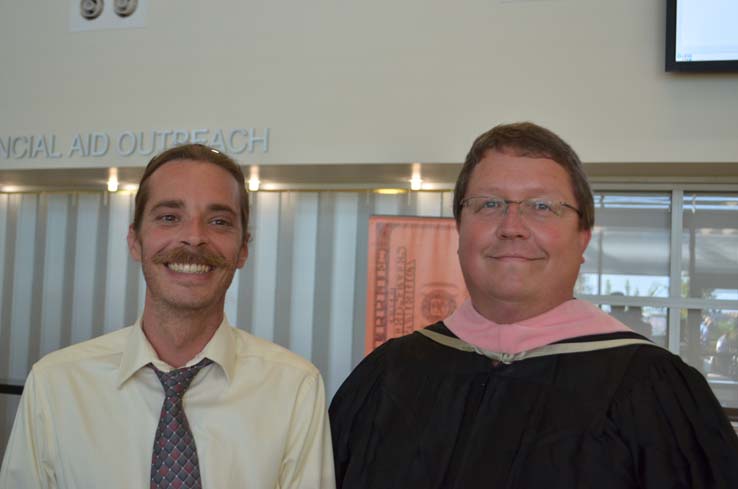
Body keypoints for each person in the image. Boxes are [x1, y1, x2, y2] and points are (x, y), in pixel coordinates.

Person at [329, 122, 738, 488]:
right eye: (489, 204)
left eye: (542, 207)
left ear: (583, 238)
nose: (512, 228)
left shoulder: (656, 390)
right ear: (459, 230)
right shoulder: (386, 377)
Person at [0, 144, 335, 488]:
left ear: (243, 250)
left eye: (218, 221)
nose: (193, 237)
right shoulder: (55, 386)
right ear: (134, 241)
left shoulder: (295, 389)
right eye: (169, 217)